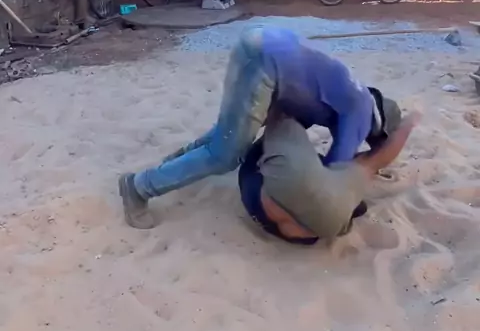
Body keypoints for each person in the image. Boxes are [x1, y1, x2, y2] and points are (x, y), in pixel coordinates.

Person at [119, 25, 402, 229]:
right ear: (378, 132)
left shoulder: (351, 93)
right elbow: (331, 179)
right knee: (225, 156)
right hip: (266, 64)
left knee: (230, 132)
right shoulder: (359, 115)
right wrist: (351, 202)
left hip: (263, 43)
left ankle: (176, 160)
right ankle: (139, 187)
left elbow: (300, 114)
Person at [238, 109, 421, 244]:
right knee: (368, 165)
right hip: (321, 218)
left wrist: (407, 125)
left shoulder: (333, 185)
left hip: (304, 207)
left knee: (282, 115)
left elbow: (376, 159)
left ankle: (295, 106)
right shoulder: (336, 190)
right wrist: (410, 121)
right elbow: (377, 159)